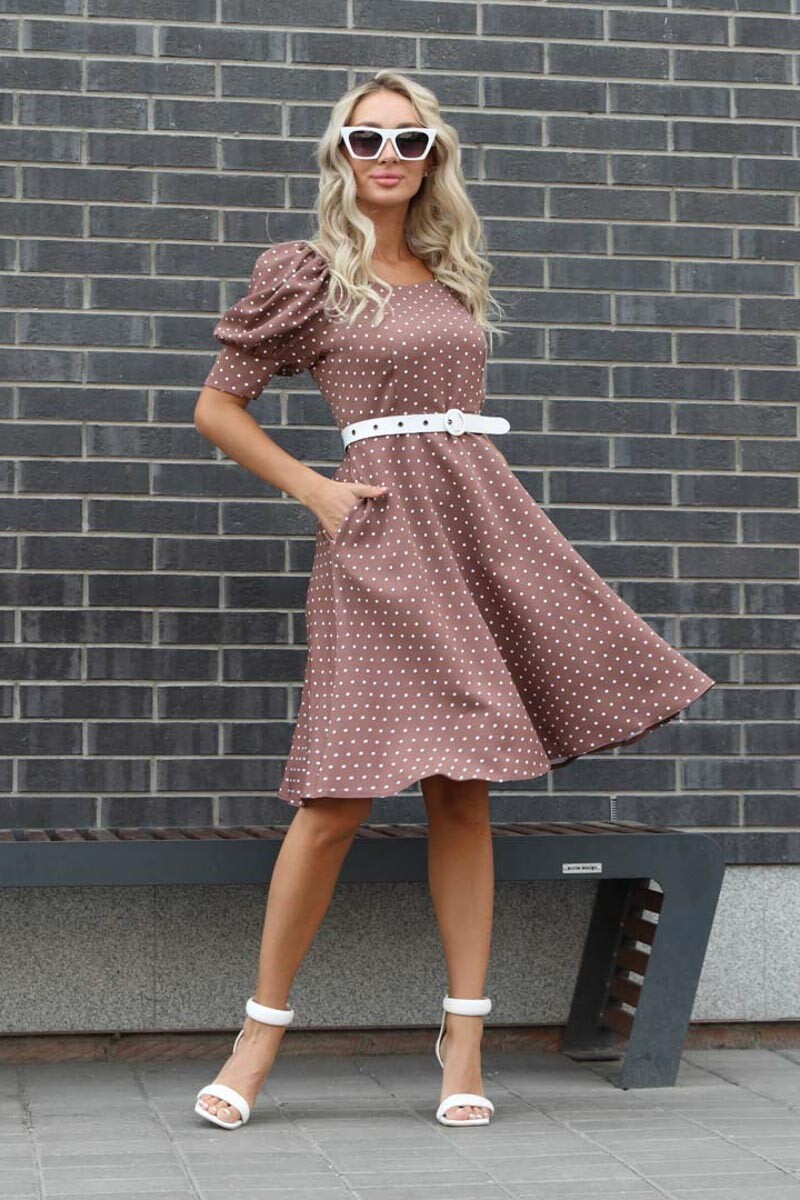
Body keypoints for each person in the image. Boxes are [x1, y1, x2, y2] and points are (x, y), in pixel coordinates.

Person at [191, 69, 715, 1131]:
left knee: (462, 792)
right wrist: (315, 490)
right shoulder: (307, 276)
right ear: (339, 153)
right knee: (335, 800)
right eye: (366, 138)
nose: (386, 156)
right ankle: (256, 1039)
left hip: (473, 528)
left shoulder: (449, 272)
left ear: (434, 157)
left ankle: (463, 1040)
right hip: (377, 545)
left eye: (408, 139)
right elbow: (217, 406)